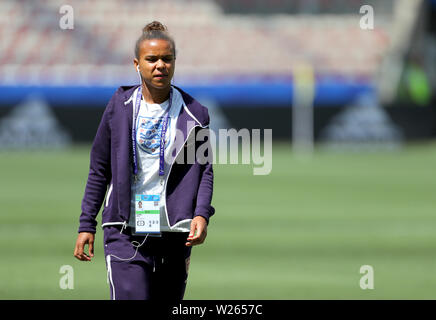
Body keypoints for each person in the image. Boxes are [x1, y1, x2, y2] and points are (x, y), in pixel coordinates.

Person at [73, 21, 215, 300]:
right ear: (137, 64)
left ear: (175, 62)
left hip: (174, 232)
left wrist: (201, 213)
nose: (160, 65)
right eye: (152, 59)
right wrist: (86, 223)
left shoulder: (196, 113)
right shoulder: (119, 106)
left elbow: (205, 171)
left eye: (167, 59)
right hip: (124, 230)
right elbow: (99, 168)